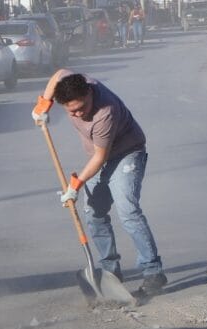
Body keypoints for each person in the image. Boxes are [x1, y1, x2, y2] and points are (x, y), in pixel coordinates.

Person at [32, 70, 166, 297]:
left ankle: (153, 272)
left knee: (128, 211)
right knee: (93, 214)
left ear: (89, 93)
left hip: (126, 154)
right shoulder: (75, 84)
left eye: (82, 107)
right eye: (71, 110)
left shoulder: (106, 112)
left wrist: (75, 185)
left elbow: (100, 158)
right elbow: (59, 75)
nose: (78, 113)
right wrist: (44, 104)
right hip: (99, 156)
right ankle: (110, 272)